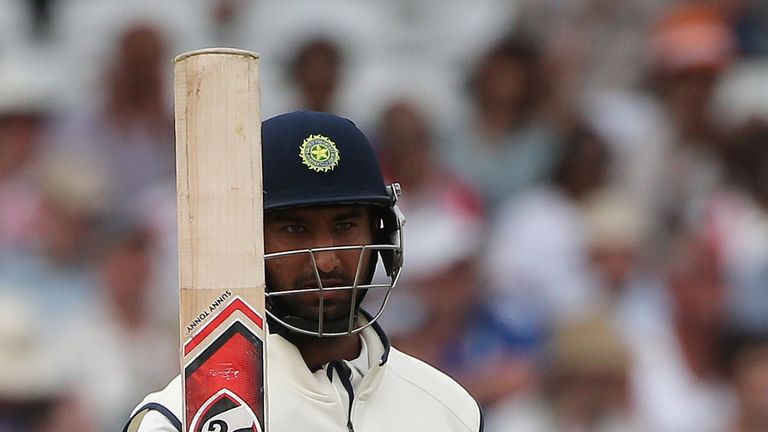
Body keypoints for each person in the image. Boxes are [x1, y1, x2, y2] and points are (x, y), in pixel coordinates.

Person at [123, 111, 483, 431]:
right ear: (247, 244)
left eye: (344, 227)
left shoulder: (449, 410)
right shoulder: (184, 418)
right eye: (295, 230)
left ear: (381, 233)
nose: (326, 261)